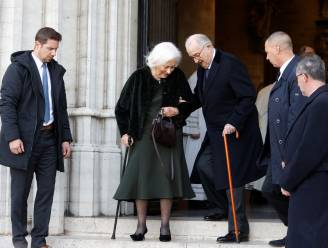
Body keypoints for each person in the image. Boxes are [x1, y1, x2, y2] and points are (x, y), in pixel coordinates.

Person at [185, 34, 265, 243]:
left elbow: (247, 96)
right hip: (215, 133)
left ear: (208, 46)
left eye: (196, 55)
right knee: (203, 166)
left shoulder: (230, 64)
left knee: (233, 180)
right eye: (192, 57)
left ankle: (238, 229)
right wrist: (179, 107)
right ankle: (223, 207)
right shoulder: (203, 68)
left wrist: (234, 122)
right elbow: (198, 98)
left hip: (234, 131)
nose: (195, 60)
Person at [114, 42, 195, 242]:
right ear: (156, 61)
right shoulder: (138, 77)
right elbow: (121, 108)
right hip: (141, 135)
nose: (169, 70)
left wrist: (177, 110)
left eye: (172, 67)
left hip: (167, 135)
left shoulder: (177, 77)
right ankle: (141, 226)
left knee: (166, 179)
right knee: (141, 178)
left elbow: (191, 101)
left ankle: (165, 227)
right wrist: (125, 132)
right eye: (165, 66)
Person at [0, 27, 72, 248]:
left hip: (50, 140)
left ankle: (39, 240)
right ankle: (19, 240)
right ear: (37, 45)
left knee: (46, 192)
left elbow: (61, 107)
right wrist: (12, 137)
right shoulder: (17, 69)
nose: (54, 53)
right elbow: (7, 104)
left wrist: (65, 138)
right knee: (20, 193)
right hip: (24, 142)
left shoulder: (56, 71)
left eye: (56, 49)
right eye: (50, 48)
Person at [259, 31, 305, 247]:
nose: (267, 57)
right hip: (278, 149)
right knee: (271, 189)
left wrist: (290, 152)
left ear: (277, 48)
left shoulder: (297, 71)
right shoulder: (284, 72)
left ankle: (299, 233)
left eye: (268, 52)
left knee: (285, 192)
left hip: (287, 149)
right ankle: (295, 231)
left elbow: (296, 116)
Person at [280, 54, 328, 248]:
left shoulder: (322, 103)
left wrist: (288, 181)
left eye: (297, 78)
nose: (297, 84)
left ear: (304, 76)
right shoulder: (319, 100)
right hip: (311, 182)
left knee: (309, 239)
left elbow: (310, 151)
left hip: (313, 184)